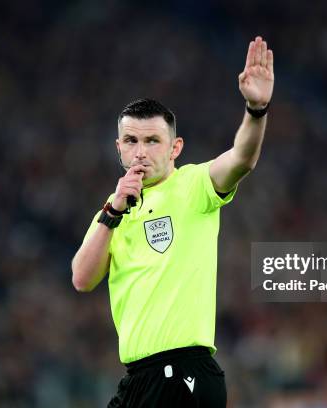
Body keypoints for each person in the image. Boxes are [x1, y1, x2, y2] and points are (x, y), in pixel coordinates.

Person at [71, 35, 274, 407]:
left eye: (152, 141)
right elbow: (82, 278)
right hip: (138, 380)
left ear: (175, 147)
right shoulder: (113, 209)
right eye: (131, 140)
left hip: (182, 373)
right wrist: (113, 212)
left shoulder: (193, 184)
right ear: (118, 148)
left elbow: (241, 159)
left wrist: (255, 110)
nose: (141, 151)